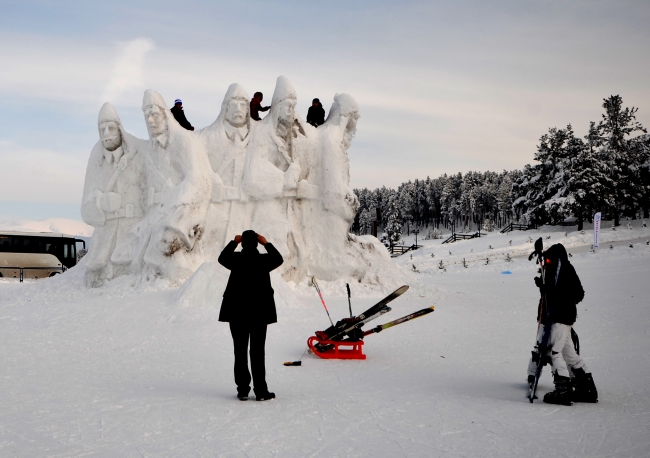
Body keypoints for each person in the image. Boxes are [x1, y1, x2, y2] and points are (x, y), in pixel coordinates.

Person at [527, 243, 598, 405]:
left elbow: (556, 292)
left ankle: (563, 391)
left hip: (557, 316)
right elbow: (578, 294)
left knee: (555, 352)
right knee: (570, 355)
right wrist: (545, 288)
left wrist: (554, 294)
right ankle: (587, 389)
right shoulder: (567, 267)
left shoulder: (556, 267)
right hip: (564, 316)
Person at [218, 230, 284, 401]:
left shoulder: (236, 259)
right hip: (259, 315)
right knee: (257, 352)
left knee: (239, 352)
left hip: (237, 314)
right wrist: (266, 243)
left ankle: (242, 390)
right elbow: (279, 258)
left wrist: (234, 242)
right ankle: (261, 391)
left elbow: (222, 257)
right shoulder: (263, 260)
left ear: (243, 243)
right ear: (256, 243)